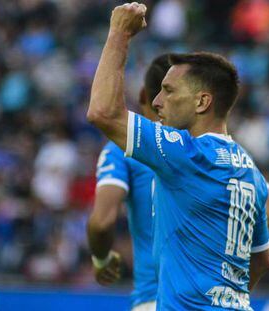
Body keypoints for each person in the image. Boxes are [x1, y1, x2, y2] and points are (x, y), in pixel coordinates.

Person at [87, 3, 269, 309]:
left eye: (169, 91)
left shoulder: (185, 153)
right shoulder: (250, 170)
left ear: (202, 102)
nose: (158, 102)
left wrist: (119, 33)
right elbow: (263, 259)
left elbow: (102, 113)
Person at [87, 54, 171, 311]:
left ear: (145, 95)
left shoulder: (124, 149)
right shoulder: (212, 149)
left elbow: (102, 223)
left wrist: (101, 259)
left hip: (156, 298)